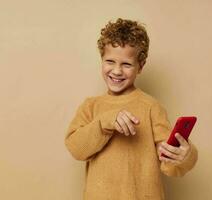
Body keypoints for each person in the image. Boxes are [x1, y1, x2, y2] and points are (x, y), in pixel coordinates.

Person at [64, 18, 198, 200]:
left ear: (140, 67)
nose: (117, 71)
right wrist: (105, 122)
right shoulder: (91, 106)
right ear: (101, 60)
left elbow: (170, 165)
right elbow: (76, 149)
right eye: (110, 61)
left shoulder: (151, 107)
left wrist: (185, 155)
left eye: (126, 64)